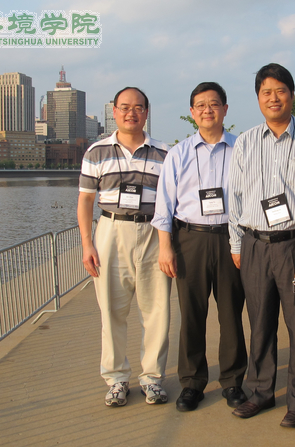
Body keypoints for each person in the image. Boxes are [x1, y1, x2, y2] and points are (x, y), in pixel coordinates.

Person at [228, 63, 295, 428]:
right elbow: (235, 196)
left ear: (292, 95)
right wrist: (236, 244)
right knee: (260, 324)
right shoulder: (246, 141)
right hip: (254, 244)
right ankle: (260, 392)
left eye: (281, 90)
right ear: (258, 98)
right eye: (266, 92)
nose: (274, 98)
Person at [152, 82, 248, 412]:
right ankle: (192, 382)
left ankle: (233, 380)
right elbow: (164, 204)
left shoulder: (241, 149)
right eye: (201, 105)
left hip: (231, 239)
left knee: (231, 312)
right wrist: (165, 247)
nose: (208, 110)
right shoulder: (178, 153)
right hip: (189, 239)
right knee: (192, 313)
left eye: (214, 104)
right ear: (192, 112)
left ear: (225, 109)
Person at [77, 87, 172, 407]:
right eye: (125, 107)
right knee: (111, 310)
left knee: (157, 310)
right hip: (111, 231)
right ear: (114, 111)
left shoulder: (164, 152)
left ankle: (152, 378)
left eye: (138, 107)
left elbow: (171, 202)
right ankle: (116, 378)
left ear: (146, 112)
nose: (131, 113)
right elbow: (85, 201)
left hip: (153, 232)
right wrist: (87, 244)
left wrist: (168, 245)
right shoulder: (96, 152)